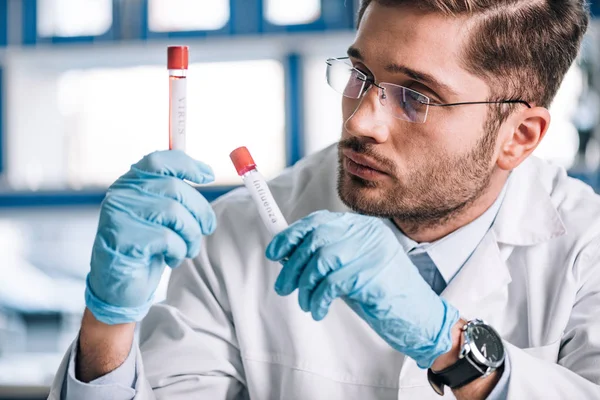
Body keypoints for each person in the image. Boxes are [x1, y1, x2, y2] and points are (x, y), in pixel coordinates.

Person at [49, 1, 600, 399]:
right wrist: (107, 324)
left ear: (519, 136)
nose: (360, 120)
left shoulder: (586, 247)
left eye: (416, 97)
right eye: (360, 74)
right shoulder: (238, 234)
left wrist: (451, 345)